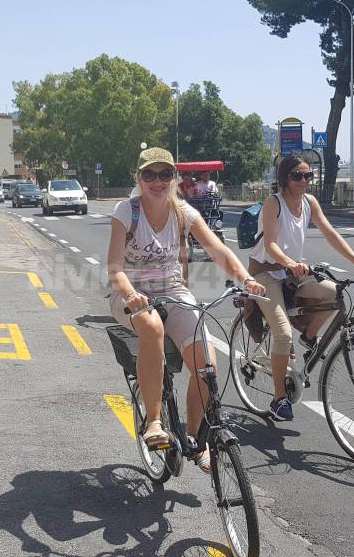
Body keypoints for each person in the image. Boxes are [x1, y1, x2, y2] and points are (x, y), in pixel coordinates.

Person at [107, 147, 265, 472]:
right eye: (149, 174)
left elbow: (218, 249)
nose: (158, 181)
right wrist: (131, 296)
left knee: (207, 365)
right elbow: (115, 268)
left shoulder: (182, 212)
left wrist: (246, 279)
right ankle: (153, 422)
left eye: (165, 174)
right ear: (139, 179)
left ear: (174, 179)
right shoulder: (127, 212)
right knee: (151, 327)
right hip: (131, 295)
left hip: (173, 291)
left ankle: (195, 439)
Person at [249, 154, 354, 421]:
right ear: (285, 178)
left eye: (309, 176)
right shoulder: (274, 203)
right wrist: (289, 263)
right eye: (298, 176)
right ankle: (278, 399)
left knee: (334, 293)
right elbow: (271, 244)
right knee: (283, 334)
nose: (304, 181)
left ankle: (309, 334)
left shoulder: (309, 202)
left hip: (294, 270)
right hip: (266, 272)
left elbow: (330, 233)